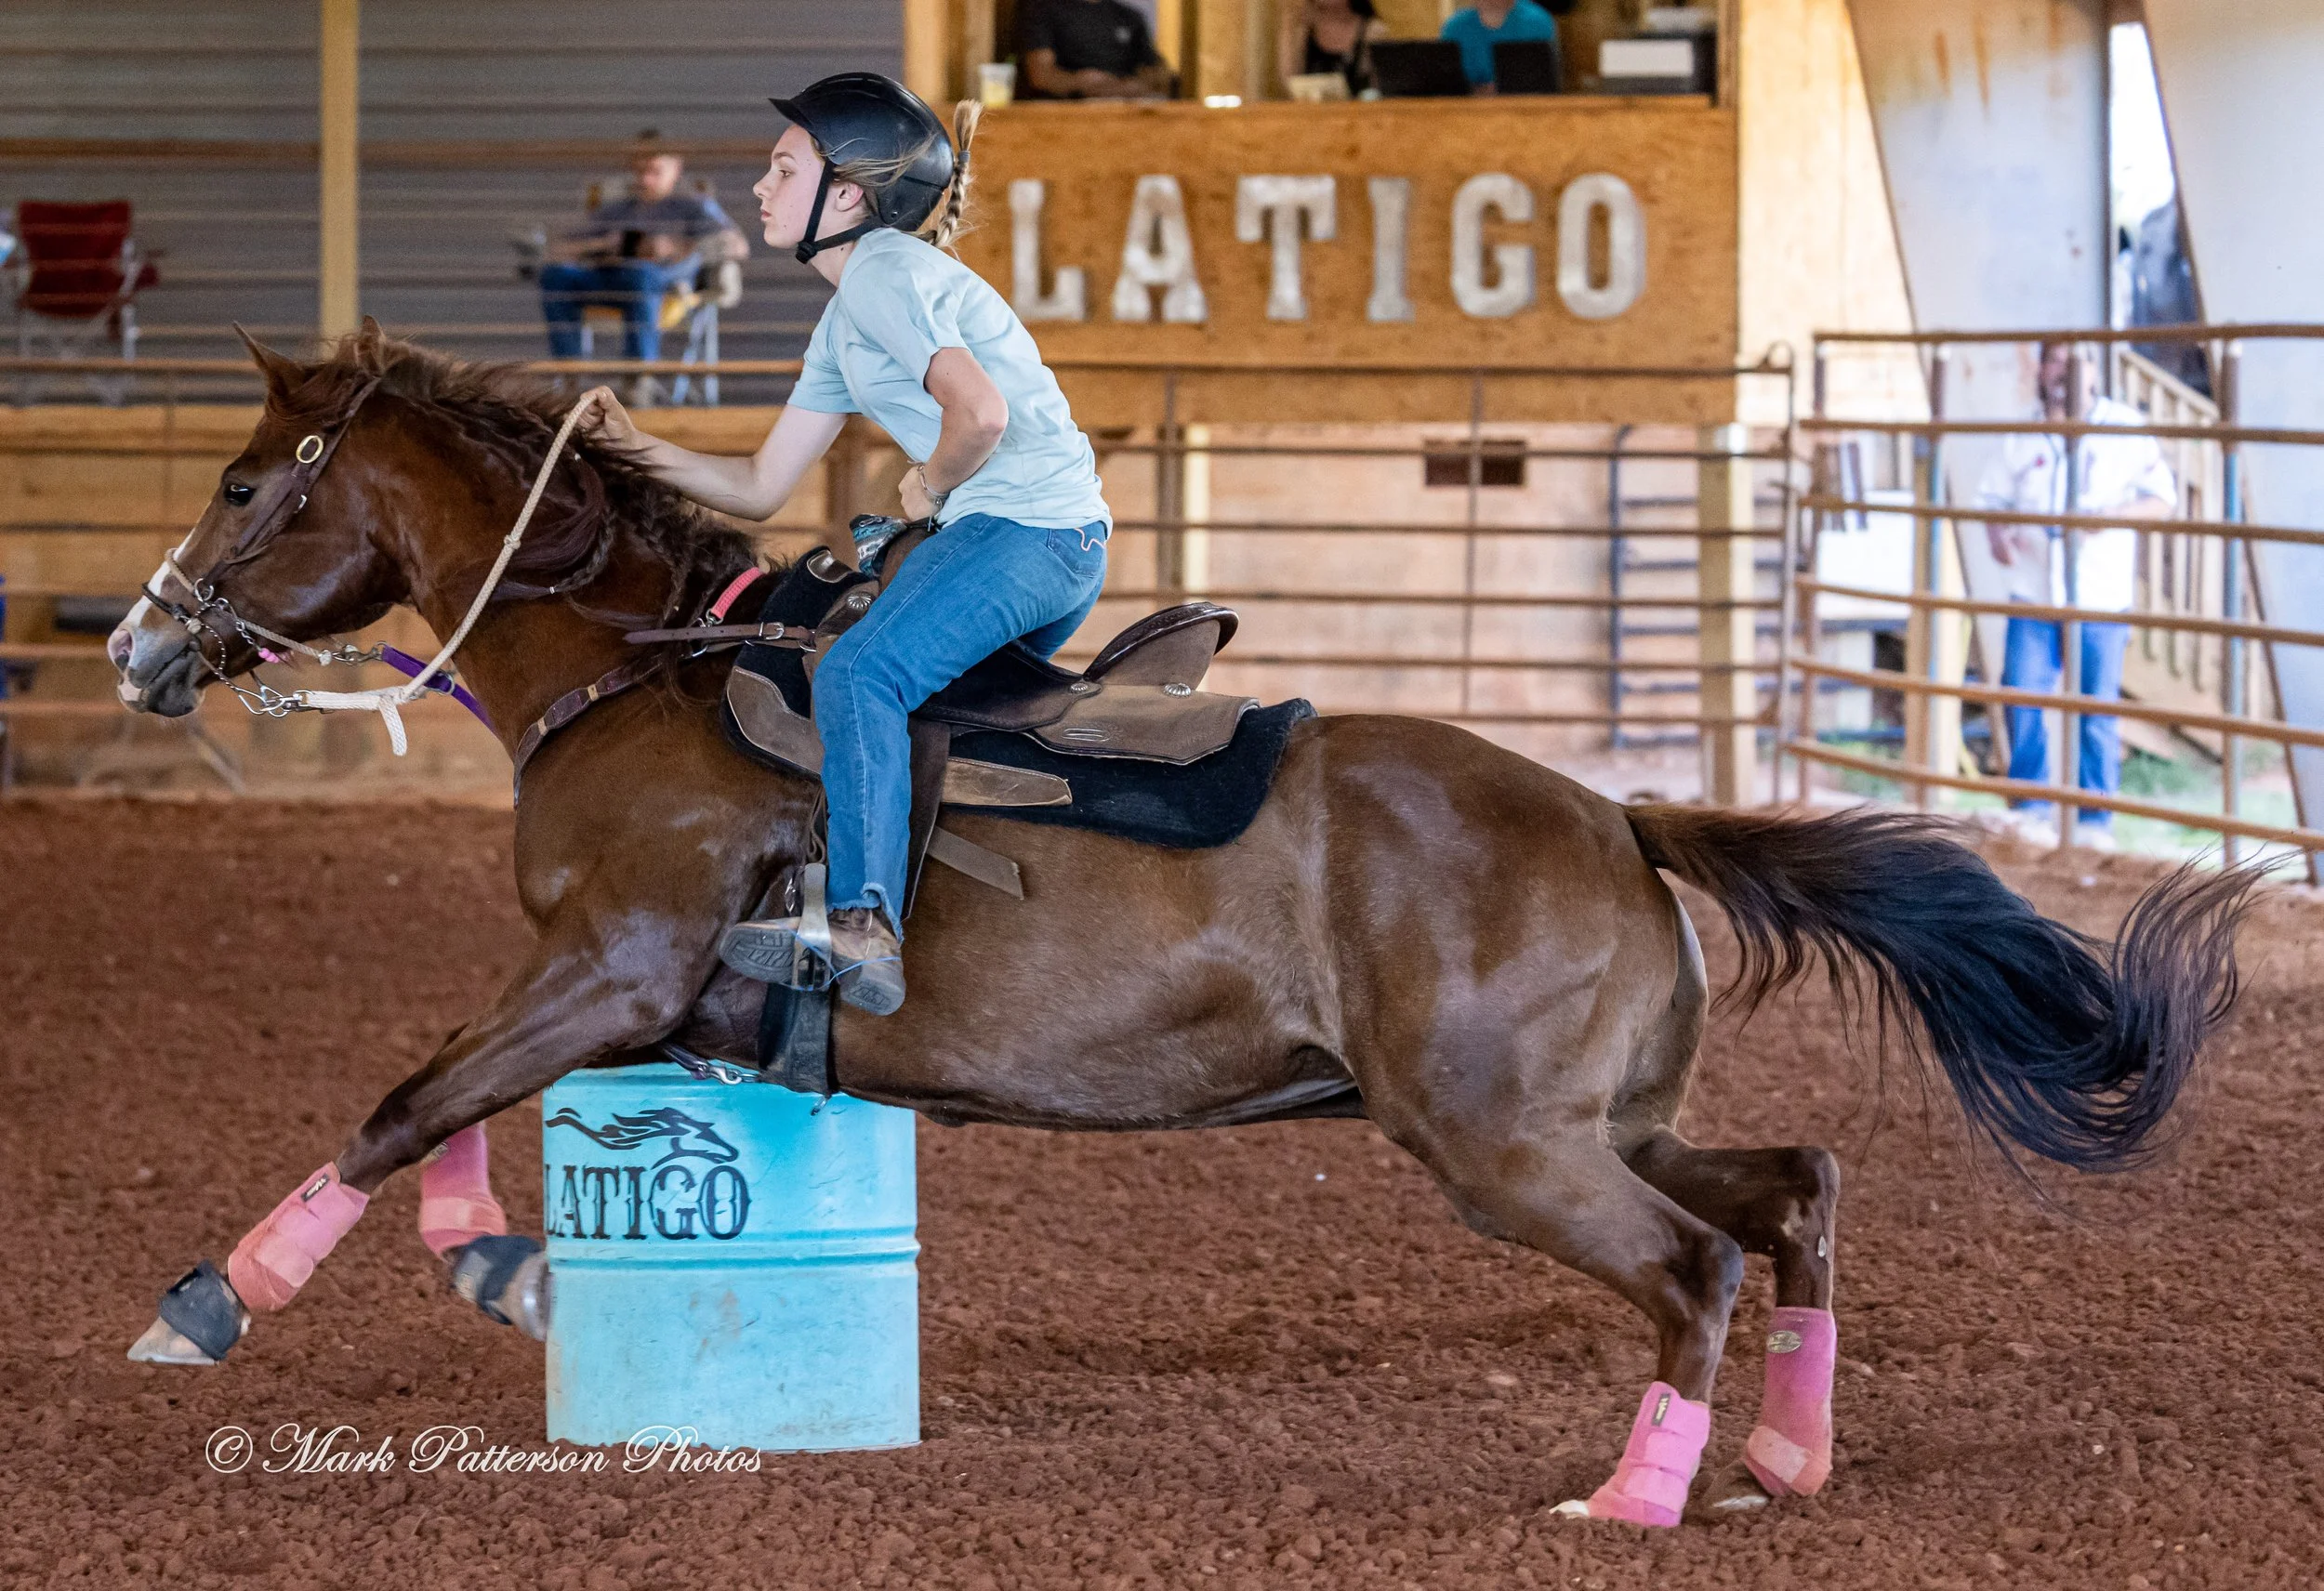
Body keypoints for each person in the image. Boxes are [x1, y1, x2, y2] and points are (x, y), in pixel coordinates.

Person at [580, 73, 1113, 1016]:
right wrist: (630, 444)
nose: (760, 186)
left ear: (851, 196)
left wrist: (927, 486)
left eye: (784, 170)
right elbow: (759, 484)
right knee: (891, 687)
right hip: (1039, 541)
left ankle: (861, 922)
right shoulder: (845, 318)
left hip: (1025, 532)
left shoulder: (882, 274)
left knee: (859, 674)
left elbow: (980, 415)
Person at [1976, 340, 2176, 848]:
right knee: (2022, 695)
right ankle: (2031, 809)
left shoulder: (2125, 429)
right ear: (2041, 369)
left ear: (2094, 371)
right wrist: (1998, 536)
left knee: (2096, 707)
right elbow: (1992, 499)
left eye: (2074, 362)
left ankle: (2095, 819)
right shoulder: (2021, 433)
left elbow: (2162, 498)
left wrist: (2109, 519)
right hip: (2033, 591)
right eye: (2055, 360)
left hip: (2100, 594)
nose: (2063, 372)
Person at [539, 131, 748, 397]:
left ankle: (638, 378)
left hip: (666, 289)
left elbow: (737, 245)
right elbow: (558, 248)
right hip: (612, 281)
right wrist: (604, 244)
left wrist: (675, 246)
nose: (645, 179)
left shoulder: (693, 207)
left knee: (642, 274)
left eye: (654, 171)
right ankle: (571, 376)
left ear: (675, 168)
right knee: (555, 275)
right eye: (639, 171)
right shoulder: (617, 210)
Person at [1016, 0, 1176, 99]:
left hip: (1128, 106)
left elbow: (1158, 72)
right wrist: (1079, 82)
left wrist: (1127, 87)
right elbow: (1040, 76)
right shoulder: (1042, 10)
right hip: (1068, 108)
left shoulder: (1129, 16)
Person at [1439, 0, 1559, 93]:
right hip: (1466, 111)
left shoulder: (1538, 22)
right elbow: (1448, 83)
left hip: (1526, 108)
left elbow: (1545, 81)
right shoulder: (1454, 27)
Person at [1279, 0, 1388, 97]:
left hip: (1358, 110)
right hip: (1309, 109)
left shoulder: (1372, 31)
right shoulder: (1302, 29)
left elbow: (1377, 87)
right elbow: (1288, 81)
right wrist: (1290, 28)